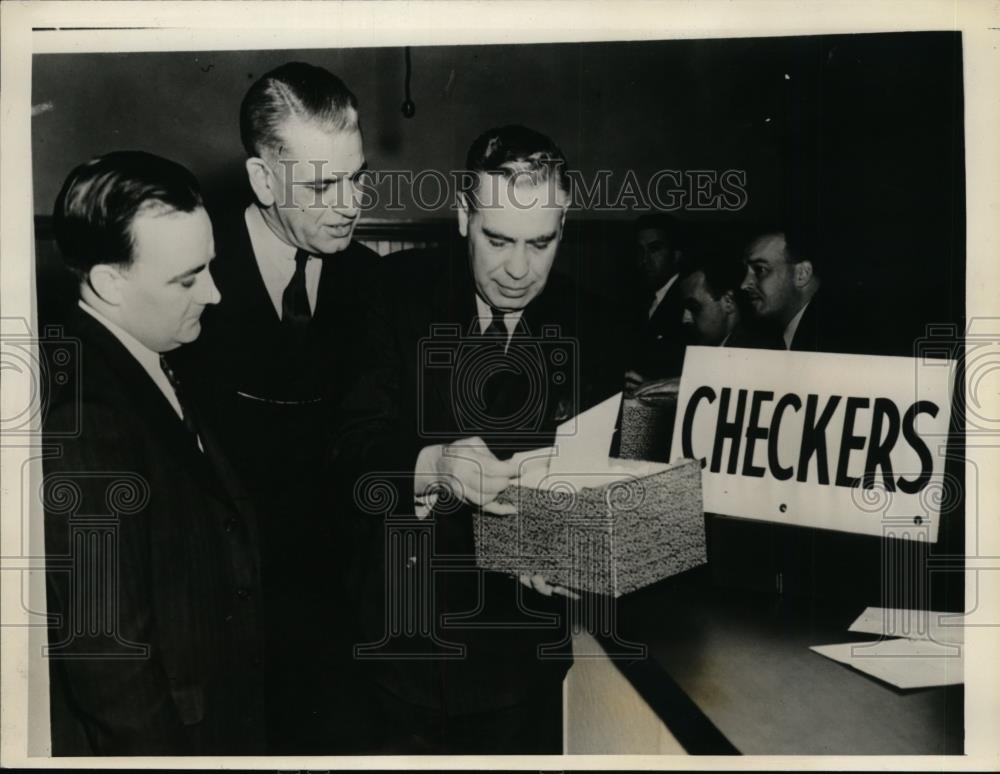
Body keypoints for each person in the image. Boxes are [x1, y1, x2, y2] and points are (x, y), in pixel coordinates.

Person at [332, 125, 620, 754]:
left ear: (564, 225)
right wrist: (433, 464)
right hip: (403, 652)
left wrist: (560, 551)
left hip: (525, 660)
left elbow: (593, 485)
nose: (519, 270)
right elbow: (349, 452)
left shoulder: (592, 322)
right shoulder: (387, 292)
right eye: (498, 240)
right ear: (463, 216)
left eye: (541, 243)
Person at [174, 61, 382, 753]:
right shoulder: (192, 279)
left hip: (341, 625)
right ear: (263, 180)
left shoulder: (371, 282)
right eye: (323, 185)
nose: (350, 203)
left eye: (357, 177)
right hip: (219, 629)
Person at [42, 151, 266, 755]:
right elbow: (110, 659)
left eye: (209, 269)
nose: (215, 295)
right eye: (188, 279)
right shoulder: (84, 416)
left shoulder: (150, 355)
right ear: (109, 282)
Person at [740, 225, 863, 353]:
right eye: (745, 271)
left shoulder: (839, 337)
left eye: (760, 269)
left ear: (802, 274)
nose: (744, 284)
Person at [624, 211, 691, 391]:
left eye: (654, 249)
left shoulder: (689, 300)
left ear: (677, 254)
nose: (644, 260)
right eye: (639, 251)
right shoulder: (640, 302)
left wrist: (652, 387)